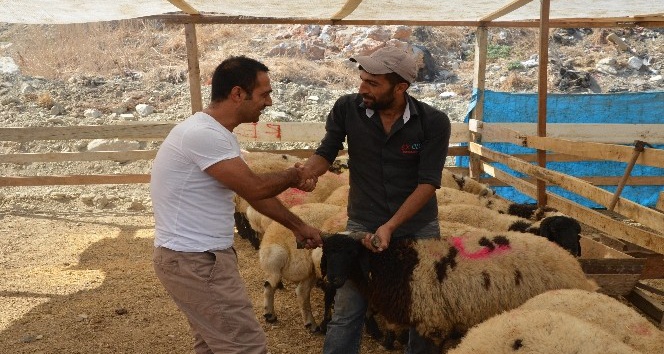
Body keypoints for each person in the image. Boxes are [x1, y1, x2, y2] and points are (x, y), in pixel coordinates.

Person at [150, 56, 322, 354]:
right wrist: (295, 174)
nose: (269, 102)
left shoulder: (216, 134)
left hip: (195, 258)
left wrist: (299, 226)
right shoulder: (203, 135)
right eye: (264, 93)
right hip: (196, 260)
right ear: (237, 93)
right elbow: (254, 187)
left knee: (213, 345)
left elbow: (254, 194)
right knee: (245, 347)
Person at [300, 46, 452, 354]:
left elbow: (428, 183)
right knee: (347, 310)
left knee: (422, 311)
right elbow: (328, 149)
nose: (362, 88)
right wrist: (307, 172)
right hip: (363, 221)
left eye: (372, 83)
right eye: (362, 79)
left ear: (400, 87)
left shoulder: (433, 122)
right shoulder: (347, 108)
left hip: (417, 227)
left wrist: (391, 226)